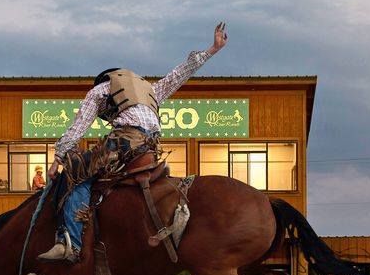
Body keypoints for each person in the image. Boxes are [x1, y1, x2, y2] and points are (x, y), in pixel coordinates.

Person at [38, 23, 229, 262]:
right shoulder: (149, 90)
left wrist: (58, 158)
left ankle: (70, 243)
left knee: (76, 171)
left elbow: (79, 126)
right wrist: (213, 49)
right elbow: (179, 74)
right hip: (151, 146)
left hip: (125, 141)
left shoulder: (99, 91)